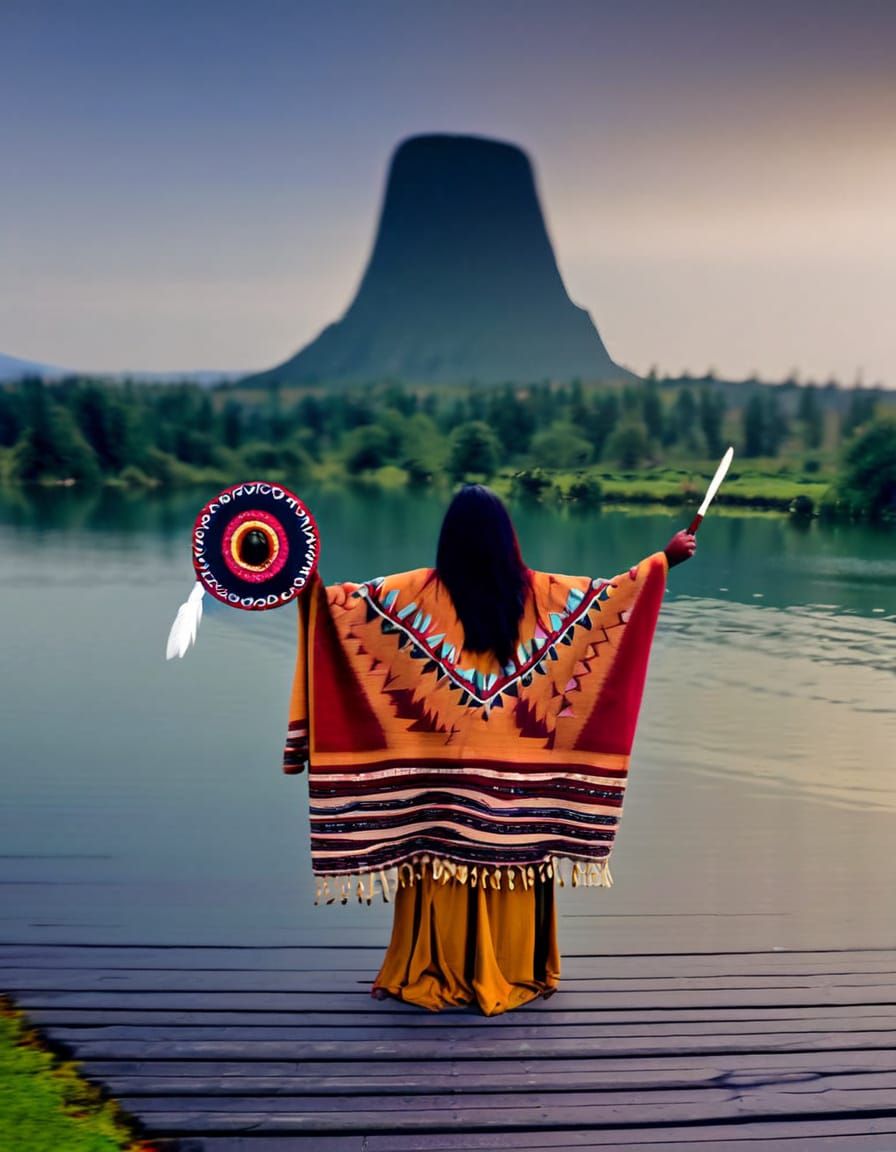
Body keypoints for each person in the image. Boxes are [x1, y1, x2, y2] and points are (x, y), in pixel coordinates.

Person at [283, 485, 695, 1015]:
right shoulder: (544, 596)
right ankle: (517, 967)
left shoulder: (406, 596)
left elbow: (337, 611)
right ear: (508, 538)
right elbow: (612, 601)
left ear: (448, 540)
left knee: (439, 855)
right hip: (518, 783)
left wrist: (302, 581)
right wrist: (665, 560)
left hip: (437, 781)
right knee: (517, 854)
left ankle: (433, 965)